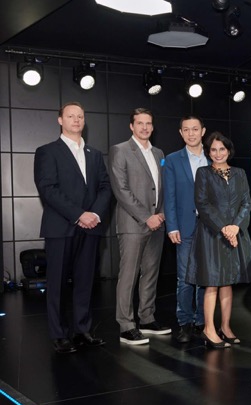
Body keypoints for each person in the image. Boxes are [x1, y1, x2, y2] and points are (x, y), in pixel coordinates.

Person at [33, 102, 111, 354]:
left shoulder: (95, 154)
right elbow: (48, 189)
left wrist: (94, 214)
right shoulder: (47, 151)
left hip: (91, 227)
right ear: (60, 120)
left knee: (85, 281)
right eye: (70, 116)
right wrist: (79, 215)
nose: (76, 120)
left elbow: (105, 187)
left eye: (80, 116)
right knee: (56, 284)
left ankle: (81, 330)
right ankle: (59, 335)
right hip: (61, 227)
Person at [186, 132, 251, 348]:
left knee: (228, 282)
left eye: (222, 149)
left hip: (234, 232)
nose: (218, 154)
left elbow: (246, 203)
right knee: (213, 282)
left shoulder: (240, 173)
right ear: (208, 152)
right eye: (213, 150)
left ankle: (225, 327)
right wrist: (224, 228)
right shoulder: (203, 173)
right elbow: (202, 204)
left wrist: (235, 226)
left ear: (228, 150)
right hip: (212, 234)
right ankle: (208, 329)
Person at [109, 108, 170, 345]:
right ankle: (126, 325)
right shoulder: (120, 150)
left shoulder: (159, 153)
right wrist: (146, 217)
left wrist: (161, 213)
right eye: (140, 123)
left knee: (151, 274)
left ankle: (147, 318)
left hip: (158, 223)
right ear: (131, 126)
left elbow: (163, 187)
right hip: (133, 223)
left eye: (148, 123)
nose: (145, 127)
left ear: (153, 127)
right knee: (129, 275)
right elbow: (121, 190)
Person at [163, 115, 209, 343]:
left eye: (195, 129)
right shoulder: (172, 160)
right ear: (181, 133)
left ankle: (202, 321)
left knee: (206, 277)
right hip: (184, 226)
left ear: (203, 131)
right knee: (185, 278)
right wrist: (171, 226)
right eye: (186, 130)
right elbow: (169, 196)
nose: (191, 133)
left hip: (210, 229)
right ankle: (185, 322)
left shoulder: (213, 157)